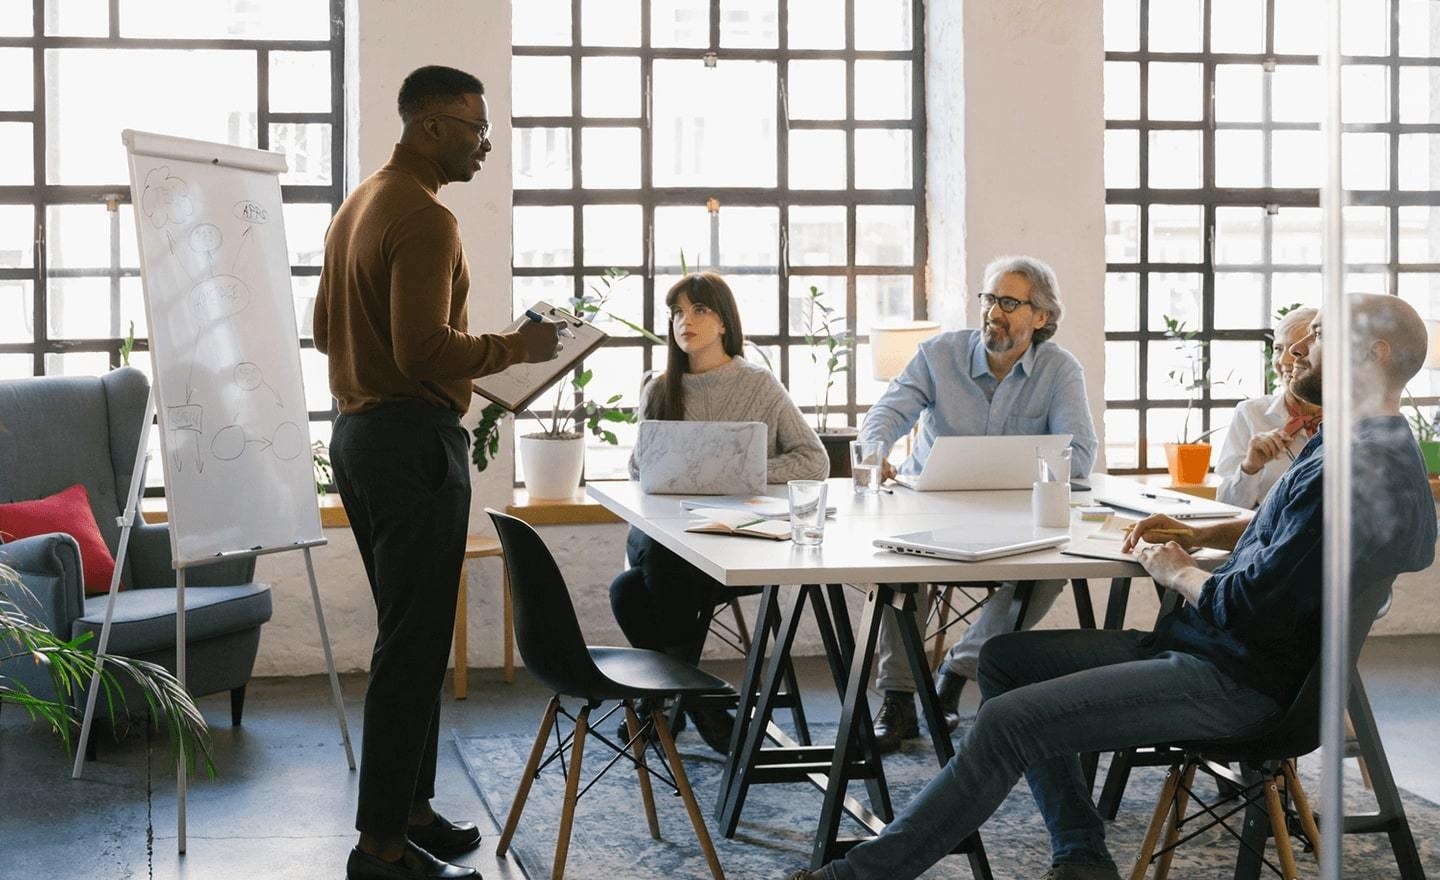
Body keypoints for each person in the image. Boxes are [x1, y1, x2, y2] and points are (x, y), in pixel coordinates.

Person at [781, 293, 1437, 880]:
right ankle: (1082, 854)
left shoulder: (1352, 468)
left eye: (1318, 332)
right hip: (1226, 655)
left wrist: (1175, 570)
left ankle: (861, 875)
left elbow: (1249, 604)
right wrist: (1197, 531)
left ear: (1372, 352)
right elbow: (1294, 535)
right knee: (1008, 662)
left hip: (1241, 681)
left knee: (1009, 720)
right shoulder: (1369, 446)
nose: (1300, 349)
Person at [315, 65, 560, 880]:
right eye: (474, 126)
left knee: (408, 637)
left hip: (358, 438)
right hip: (412, 441)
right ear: (430, 125)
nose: (486, 142)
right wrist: (515, 349)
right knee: (412, 645)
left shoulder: (358, 205)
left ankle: (409, 811)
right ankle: (380, 845)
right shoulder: (426, 217)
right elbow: (423, 349)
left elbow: (325, 329)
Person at [857, 255, 1098, 753]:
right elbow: (887, 413)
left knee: (1050, 569)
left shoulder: (1060, 370)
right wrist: (876, 453)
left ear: (1042, 317)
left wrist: (1036, 471)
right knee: (903, 563)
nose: (993, 312)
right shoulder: (938, 355)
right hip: (930, 507)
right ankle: (899, 697)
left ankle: (955, 673)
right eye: (989, 299)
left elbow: (1079, 457)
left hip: (1015, 516)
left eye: (1010, 302)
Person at [610, 271, 828, 752]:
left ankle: (666, 703)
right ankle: (705, 704)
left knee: (635, 588)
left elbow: (814, 459)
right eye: (676, 313)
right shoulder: (659, 387)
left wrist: (744, 472)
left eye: (698, 310)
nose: (684, 322)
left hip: (737, 537)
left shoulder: (759, 385)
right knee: (634, 581)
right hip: (670, 537)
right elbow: (637, 468)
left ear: (724, 321)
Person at [1214, 307, 1321, 508]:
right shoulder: (1250, 413)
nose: (1283, 361)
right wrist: (1250, 467)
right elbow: (1228, 508)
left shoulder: (1356, 422)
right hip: (1263, 538)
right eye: (1279, 348)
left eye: (1295, 350)